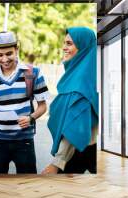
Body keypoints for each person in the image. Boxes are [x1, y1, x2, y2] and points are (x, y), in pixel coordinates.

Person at [0, 31, 51, 174]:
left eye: (9, 53)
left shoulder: (33, 73)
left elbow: (43, 107)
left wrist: (31, 118)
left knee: (27, 183)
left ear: (16, 49)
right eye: (0, 55)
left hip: (24, 141)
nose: (5, 59)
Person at [41, 27, 98, 174]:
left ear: (83, 47)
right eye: (64, 43)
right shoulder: (83, 76)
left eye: (69, 43)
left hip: (78, 151)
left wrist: (57, 163)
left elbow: (73, 125)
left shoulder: (81, 83)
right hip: (84, 148)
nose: (64, 48)